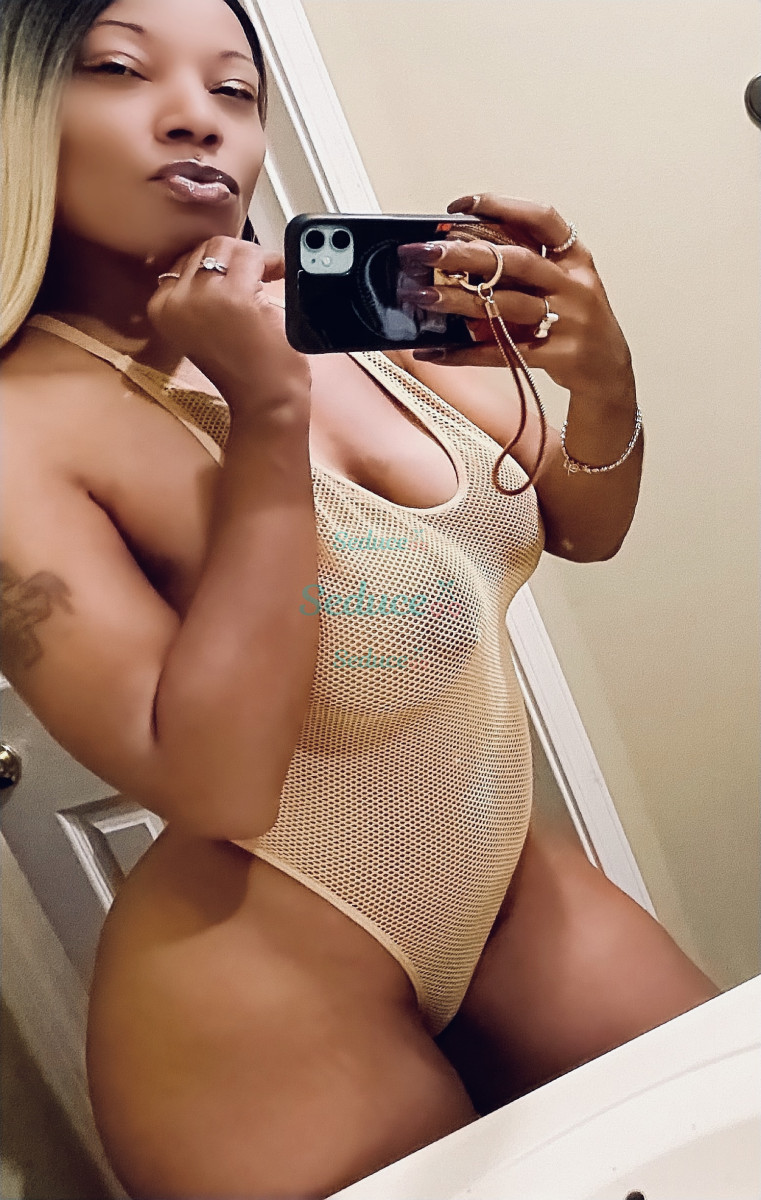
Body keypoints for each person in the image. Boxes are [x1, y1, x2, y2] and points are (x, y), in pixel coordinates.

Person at [0, 0, 721, 1196]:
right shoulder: (22, 429)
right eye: (122, 69)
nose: (197, 118)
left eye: (234, 88)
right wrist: (265, 416)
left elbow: (582, 524)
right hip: (257, 998)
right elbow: (218, 782)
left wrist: (603, 380)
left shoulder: (336, 317)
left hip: (504, 889)